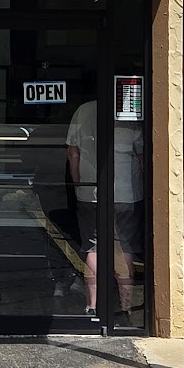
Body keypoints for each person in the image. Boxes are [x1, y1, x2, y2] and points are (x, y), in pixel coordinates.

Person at [65, 98, 143, 319]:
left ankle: (92, 305)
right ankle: (126, 306)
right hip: (128, 191)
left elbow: (73, 152)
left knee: (92, 246)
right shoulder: (128, 111)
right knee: (125, 247)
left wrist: (79, 184)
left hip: (92, 191)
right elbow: (142, 154)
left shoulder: (83, 110)